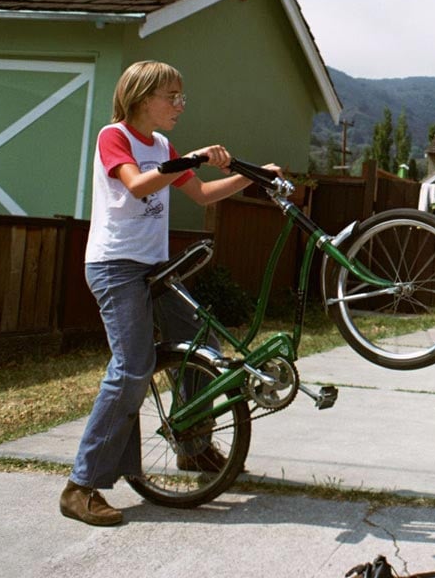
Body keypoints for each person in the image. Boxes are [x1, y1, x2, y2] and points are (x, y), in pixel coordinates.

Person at [61, 60, 276, 526]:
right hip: (115, 267)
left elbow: (199, 193)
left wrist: (252, 176)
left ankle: (193, 448)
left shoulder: (161, 145)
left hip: (156, 267)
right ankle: (82, 485)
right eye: (171, 97)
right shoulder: (113, 136)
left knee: (204, 349)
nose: (180, 104)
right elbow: (138, 186)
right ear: (141, 98)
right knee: (133, 366)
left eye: (182, 96)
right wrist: (192, 157)